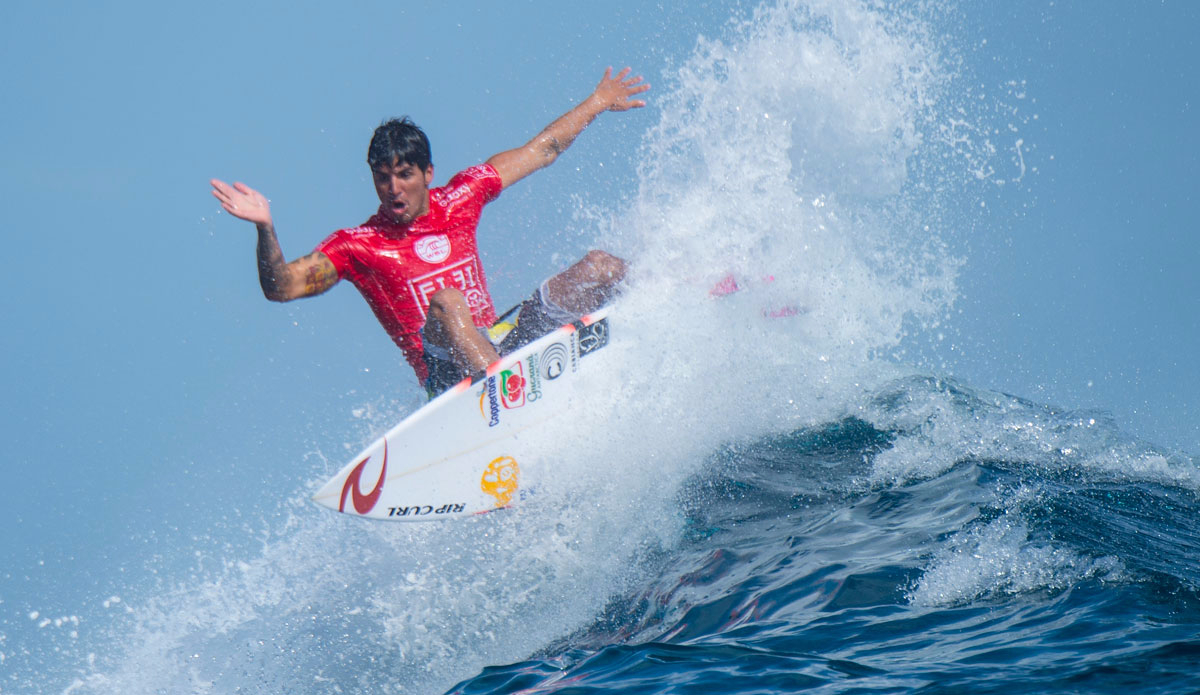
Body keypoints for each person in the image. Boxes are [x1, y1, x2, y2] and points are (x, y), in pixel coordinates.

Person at [211, 67, 649, 396]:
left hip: (500, 343)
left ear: (428, 173)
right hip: (448, 376)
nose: (393, 188)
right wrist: (265, 228)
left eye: (404, 175)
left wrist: (597, 101)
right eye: (382, 178)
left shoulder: (461, 197)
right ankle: (507, 399)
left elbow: (543, 150)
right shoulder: (358, 246)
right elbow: (281, 288)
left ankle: (668, 300)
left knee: (600, 266)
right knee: (448, 302)